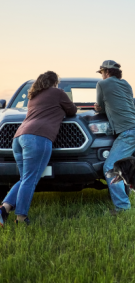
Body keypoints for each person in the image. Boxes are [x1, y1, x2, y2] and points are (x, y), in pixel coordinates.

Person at [0, 71, 77, 227]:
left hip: (18, 138)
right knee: (30, 180)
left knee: (24, 179)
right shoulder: (58, 92)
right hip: (38, 138)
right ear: (54, 82)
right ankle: (21, 218)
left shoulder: (33, 97)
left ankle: (4, 209)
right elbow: (73, 110)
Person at [94, 60, 135, 215]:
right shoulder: (126, 84)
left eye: (102, 73)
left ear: (105, 72)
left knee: (111, 167)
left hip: (129, 131)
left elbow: (100, 107)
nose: (102, 76)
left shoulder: (102, 84)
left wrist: (99, 108)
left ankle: (122, 208)